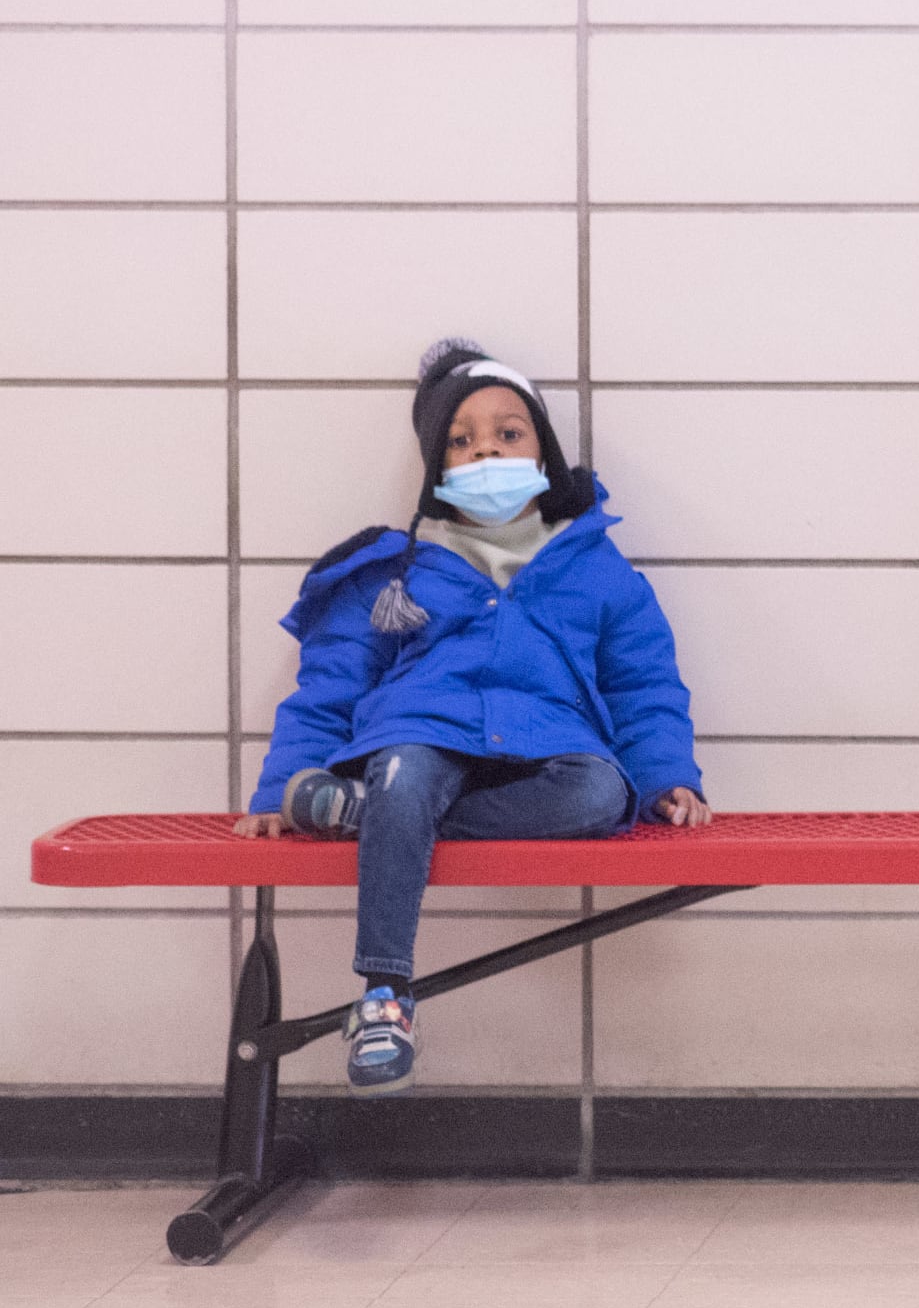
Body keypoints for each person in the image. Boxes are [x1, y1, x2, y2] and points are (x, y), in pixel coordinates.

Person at [237, 339, 709, 1094]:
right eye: (461, 442)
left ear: (544, 451)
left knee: (600, 794)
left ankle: (372, 815)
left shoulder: (596, 567)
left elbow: (644, 685)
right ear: (437, 470)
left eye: (507, 433)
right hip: (416, 734)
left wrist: (665, 777)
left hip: (551, 746)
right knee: (407, 770)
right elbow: (329, 683)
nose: (485, 450)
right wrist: (282, 786)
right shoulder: (394, 569)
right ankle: (385, 996)